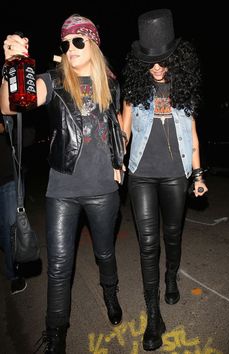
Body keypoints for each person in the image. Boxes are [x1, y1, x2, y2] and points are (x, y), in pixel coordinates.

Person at [1, 14, 123, 353]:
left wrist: (119, 164)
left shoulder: (110, 84)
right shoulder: (53, 80)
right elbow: (9, 106)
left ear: (93, 43)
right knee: (58, 266)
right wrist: (14, 65)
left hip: (103, 190)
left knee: (104, 253)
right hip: (62, 190)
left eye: (78, 41)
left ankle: (110, 294)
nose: (70, 48)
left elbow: (115, 127)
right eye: (65, 43)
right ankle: (56, 334)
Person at [121, 9, 208, 351]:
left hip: (175, 175)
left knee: (172, 236)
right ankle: (153, 316)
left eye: (163, 60)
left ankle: (171, 277)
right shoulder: (135, 89)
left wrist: (198, 176)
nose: (156, 67)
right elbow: (125, 131)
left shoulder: (184, 90)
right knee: (148, 245)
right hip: (141, 174)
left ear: (176, 59)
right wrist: (115, 160)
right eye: (150, 61)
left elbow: (194, 138)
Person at [0, 114, 27, 294]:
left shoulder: (7, 104)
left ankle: (14, 275)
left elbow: (19, 131)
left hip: (9, 179)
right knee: (3, 230)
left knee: (11, 229)